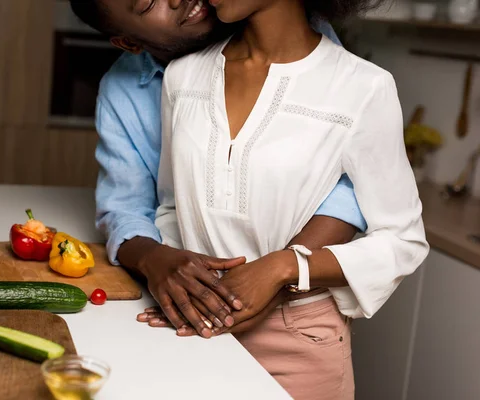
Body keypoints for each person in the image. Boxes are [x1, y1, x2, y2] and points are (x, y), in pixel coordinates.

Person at [149, 0, 428, 397]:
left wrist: (286, 267)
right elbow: (172, 209)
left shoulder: (362, 87)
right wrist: (183, 293)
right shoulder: (183, 76)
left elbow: (404, 240)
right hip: (197, 330)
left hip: (297, 343)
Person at [70, 0, 369, 340]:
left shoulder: (298, 37)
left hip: (298, 311)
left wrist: (277, 275)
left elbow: (349, 186)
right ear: (129, 42)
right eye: (149, 3)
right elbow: (126, 206)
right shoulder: (129, 90)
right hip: (188, 313)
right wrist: (155, 259)